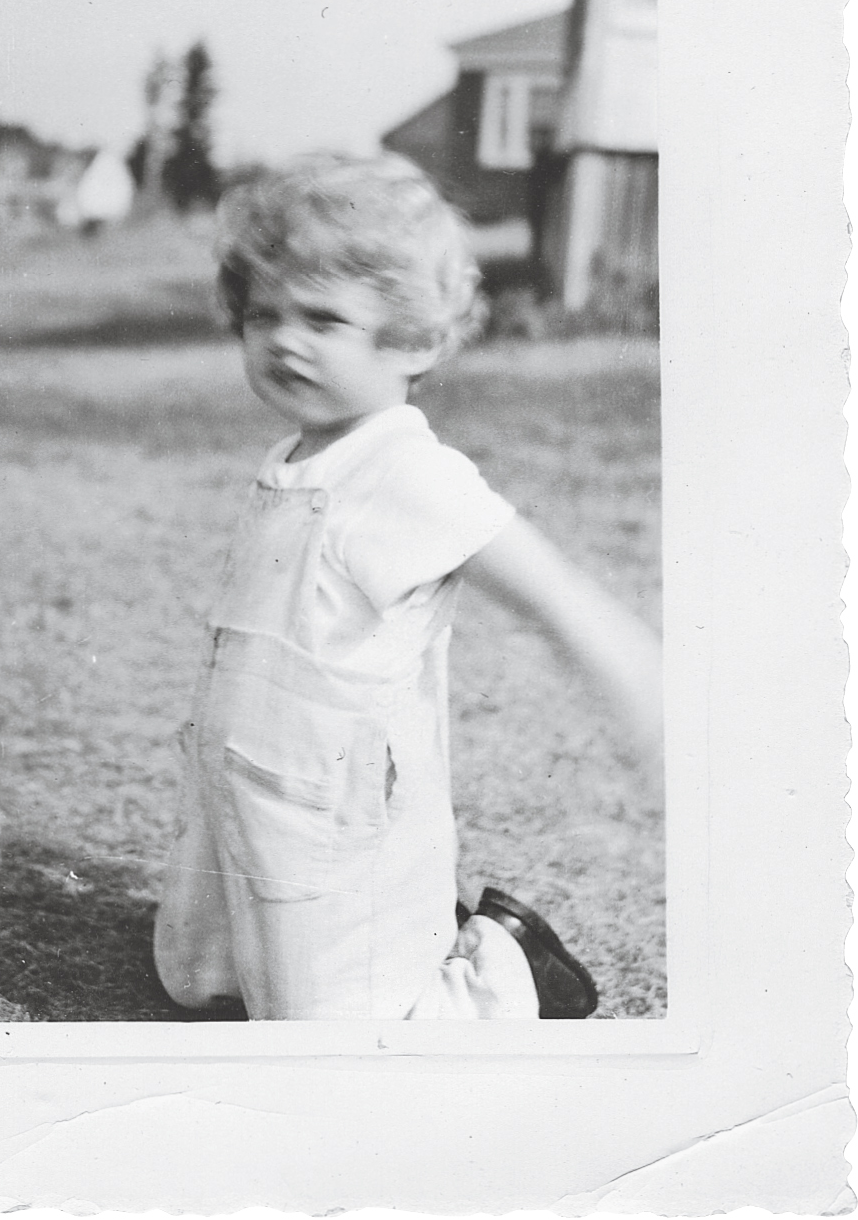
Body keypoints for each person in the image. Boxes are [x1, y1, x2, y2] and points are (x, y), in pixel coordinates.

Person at [153, 152, 662, 1021]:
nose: (283, 339)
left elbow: (550, 590)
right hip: (247, 774)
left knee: (344, 1027)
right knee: (200, 971)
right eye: (264, 313)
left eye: (323, 318)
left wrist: (642, 690)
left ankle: (505, 969)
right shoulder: (293, 460)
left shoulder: (408, 473)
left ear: (415, 341)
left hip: (336, 801)